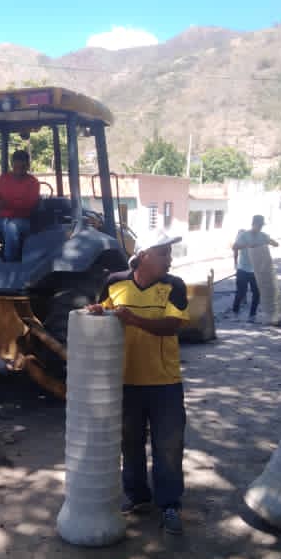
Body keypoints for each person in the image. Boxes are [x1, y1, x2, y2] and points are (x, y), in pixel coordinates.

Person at [87, 228, 190, 535]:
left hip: (164, 381)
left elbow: (172, 326)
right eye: (163, 253)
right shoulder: (113, 282)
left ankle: (169, 504)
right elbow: (101, 314)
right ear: (143, 256)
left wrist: (133, 319)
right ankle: (137, 497)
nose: (169, 259)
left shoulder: (174, 285)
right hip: (125, 381)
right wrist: (96, 312)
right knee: (129, 443)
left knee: (168, 445)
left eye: (169, 253)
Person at [230, 214, 279, 322]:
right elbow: (234, 247)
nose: (260, 227)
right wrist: (246, 245)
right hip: (243, 268)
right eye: (259, 225)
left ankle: (252, 315)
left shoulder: (263, 236)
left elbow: (276, 244)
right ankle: (235, 313)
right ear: (254, 224)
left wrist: (272, 242)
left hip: (257, 270)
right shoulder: (244, 235)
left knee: (257, 293)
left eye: (262, 225)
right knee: (240, 292)